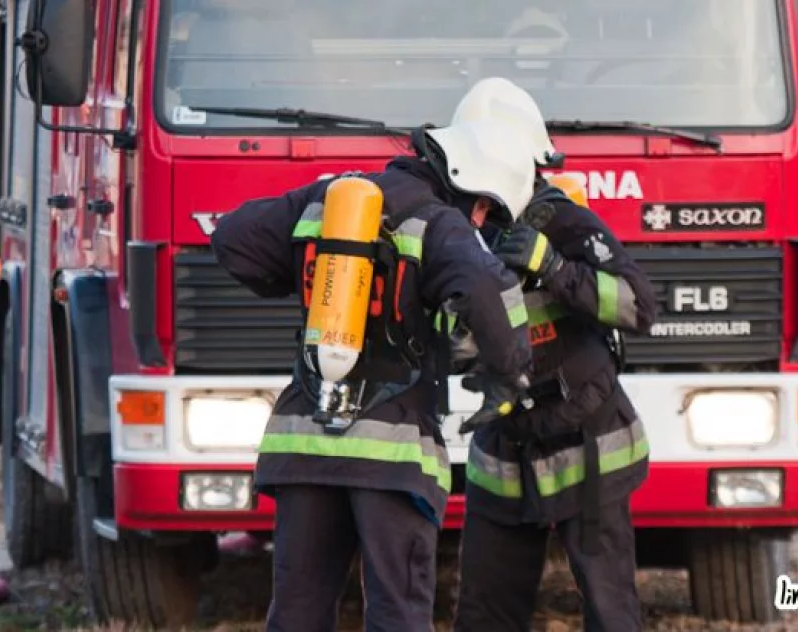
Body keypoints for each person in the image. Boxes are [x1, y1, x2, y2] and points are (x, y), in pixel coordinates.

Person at [210, 117, 538, 632]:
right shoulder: (439, 222)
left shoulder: (324, 199)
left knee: (297, 613)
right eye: (483, 206)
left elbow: (231, 238)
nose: (481, 220)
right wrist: (509, 374)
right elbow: (488, 289)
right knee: (398, 611)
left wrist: (299, 275)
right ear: (462, 181)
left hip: (304, 444)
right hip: (392, 453)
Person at [447, 77, 658, 632]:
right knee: (485, 616)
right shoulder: (462, 230)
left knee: (610, 614)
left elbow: (639, 306)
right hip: (505, 449)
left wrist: (556, 268)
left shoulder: (563, 222)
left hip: (588, 445)